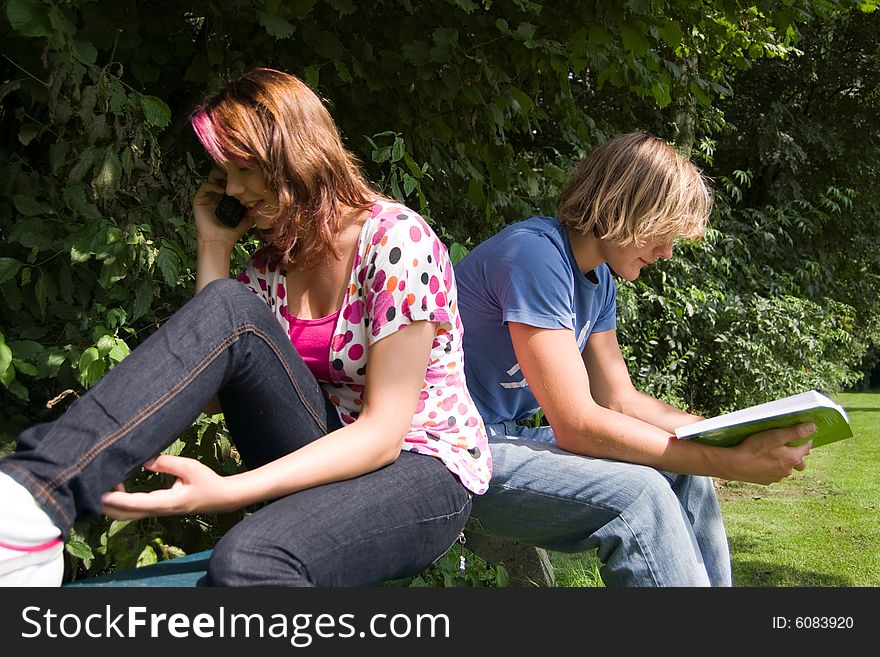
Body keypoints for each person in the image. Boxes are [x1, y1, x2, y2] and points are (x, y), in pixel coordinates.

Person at [0, 67, 490, 587]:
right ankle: (35, 498)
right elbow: (214, 394)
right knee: (230, 305)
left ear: (293, 155)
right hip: (326, 444)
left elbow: (383, 435)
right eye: (224, 172)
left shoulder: (397, 242)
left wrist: (229, 490)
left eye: (244, 169)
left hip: (420, 466)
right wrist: (214, 247)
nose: (232, 188)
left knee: (248, 560)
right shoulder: (272, 265)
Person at [453, 132, 815, 587]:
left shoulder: (598, 281)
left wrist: (724, 437)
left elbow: (620, 399)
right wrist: (727, 463)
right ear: (621, 206)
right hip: (450, 447)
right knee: (640, 497)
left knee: (686, 478)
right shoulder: (535, 256)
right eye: (662, 232)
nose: (666, 251)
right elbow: (577, 424)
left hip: (496, 438)